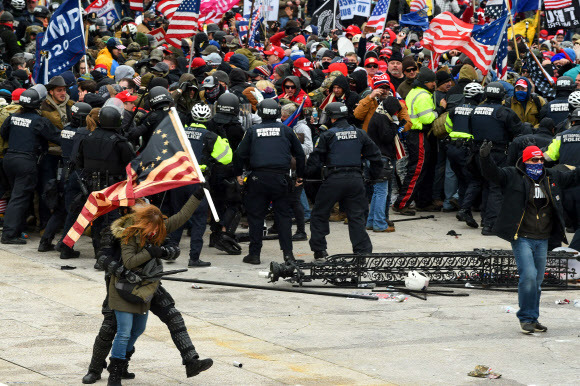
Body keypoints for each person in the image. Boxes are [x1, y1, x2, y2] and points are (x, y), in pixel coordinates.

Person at [105, 191, 212, 384]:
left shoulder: (159, 227)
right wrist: (149, 252)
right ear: (143, 223)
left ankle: (189, 361)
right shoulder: (128, 234)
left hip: (147, 286)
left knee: (138, 329)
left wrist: (196, 195)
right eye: (151, 228)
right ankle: (113, 373)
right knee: (122, 331)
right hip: (123, 286)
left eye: (157, 227)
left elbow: (181, 217)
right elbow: (129, 262)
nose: (155, 232)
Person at [479, 142, 580, 334]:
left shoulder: (552, 177)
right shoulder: (512, 175)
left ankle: (532, 318)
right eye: (534, 160)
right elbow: (493, 173)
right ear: (525, 161)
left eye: (541, 159)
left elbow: (574, 177)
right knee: (529, 276)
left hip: (543, 238)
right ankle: (525, 318)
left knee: (538, 281)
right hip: (522, 236)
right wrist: (485, 157)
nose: (539, 163)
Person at [234, 98, 305, 265]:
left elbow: (239, 154)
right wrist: (300, 176)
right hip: (281, 179)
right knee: (283, 217)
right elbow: (300, 155)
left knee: (256, 217)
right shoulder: (286, 130)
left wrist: (238, 174)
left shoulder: (252, 131)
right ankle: (288, 255)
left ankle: (254, 254)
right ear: (277, 113)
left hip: (257, 179)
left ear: (260, 112)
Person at [307, 102, 382, 259]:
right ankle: (363, 252)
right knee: (357, 217)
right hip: (355, 179)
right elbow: (375, 156)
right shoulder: (360, 133)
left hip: (333, 179)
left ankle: (319, 250)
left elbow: (315, 162)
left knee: (319, 214)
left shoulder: (327, 135)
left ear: (331, 118)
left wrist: (306, 177)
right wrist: (373, 177)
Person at [0, 86, 61, 244]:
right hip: (26, 162)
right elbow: (56, 137)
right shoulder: (39, 121)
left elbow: (4, 133)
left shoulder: (12, 117)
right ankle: (9, 234)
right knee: (19, 198)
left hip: (9, 160)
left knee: (16, 195)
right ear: (38, 104)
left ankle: (17, 229)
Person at [76, 98, 135, 255]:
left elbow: (79, 161)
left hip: (91, 186)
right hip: (112, 188)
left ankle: (98, 253)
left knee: (96, 220)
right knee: (112, 221)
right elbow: (131, 163)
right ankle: (108, 254)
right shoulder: (119, 142)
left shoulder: (87, 137)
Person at [469, 82, 525, 235]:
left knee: (487, 185)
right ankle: (490, 225)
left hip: (478, 153)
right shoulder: (504, 112)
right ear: (501, 95)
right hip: (497, 153)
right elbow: (518, 130)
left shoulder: (475, 110)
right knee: (496, 187)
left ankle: (485, 219)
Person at [393, 68, 446, 215]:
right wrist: (440, 109)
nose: (434, 84)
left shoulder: (414, 91)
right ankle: (401, 203)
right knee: (416, 170)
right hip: (419, 135)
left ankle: (422, 202)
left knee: (421, 170)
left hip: (413, 134)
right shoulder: (423, 96)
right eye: (432, 82)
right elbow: (427, 118)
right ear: (425, 82)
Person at [444, 82, 484, 228]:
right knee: (475, 180)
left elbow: (447, 127)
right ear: (477, 95)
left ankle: (462, 208)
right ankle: (464, 210)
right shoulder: (477, 110)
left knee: (462, 179)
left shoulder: (454, 110)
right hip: (467, 150)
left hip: (452, 148)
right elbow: (480, 131)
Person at [544, 108, 580, 251]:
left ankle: (555, 257)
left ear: (571, 121)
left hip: (564, 185)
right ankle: (573, 255)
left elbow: (548, 157)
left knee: (558, 222)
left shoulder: (561, 136)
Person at [366, 97, 401, 232]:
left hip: (376, 159)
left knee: (377, 192)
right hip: (382, 159)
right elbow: (386, 137)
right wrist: (395, 125)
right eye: (395, 111)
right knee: (381, 192)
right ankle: (379, 224)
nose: (396, 114)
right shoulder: (382, 118)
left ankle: (371, 221)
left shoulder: (379, 115)